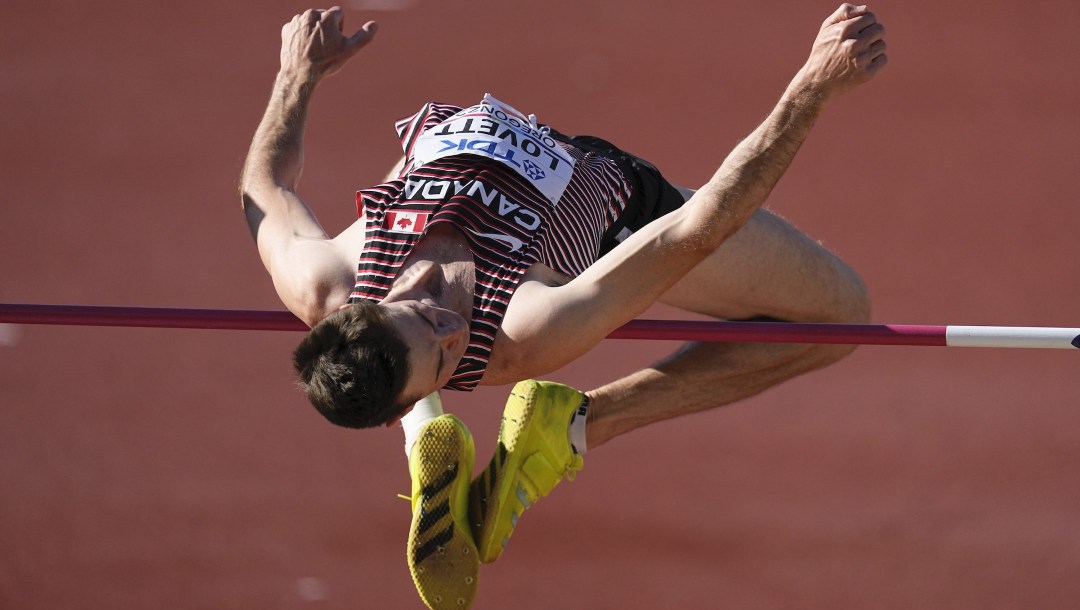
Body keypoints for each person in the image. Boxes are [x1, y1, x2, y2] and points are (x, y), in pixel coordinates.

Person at [240, 4, 885, 609]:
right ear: (424, 393)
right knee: (839, 320)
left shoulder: (323, 280)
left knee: (400, 328)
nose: (452, 326)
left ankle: (430, 439)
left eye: (425, 315)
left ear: (362, 306)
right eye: (446, 358)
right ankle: (573, 428)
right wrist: (812, 87)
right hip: (628, 217)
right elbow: (699, 225)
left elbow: (264, 187)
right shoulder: (523, 327)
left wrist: (297, 76)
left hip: (496, 165)